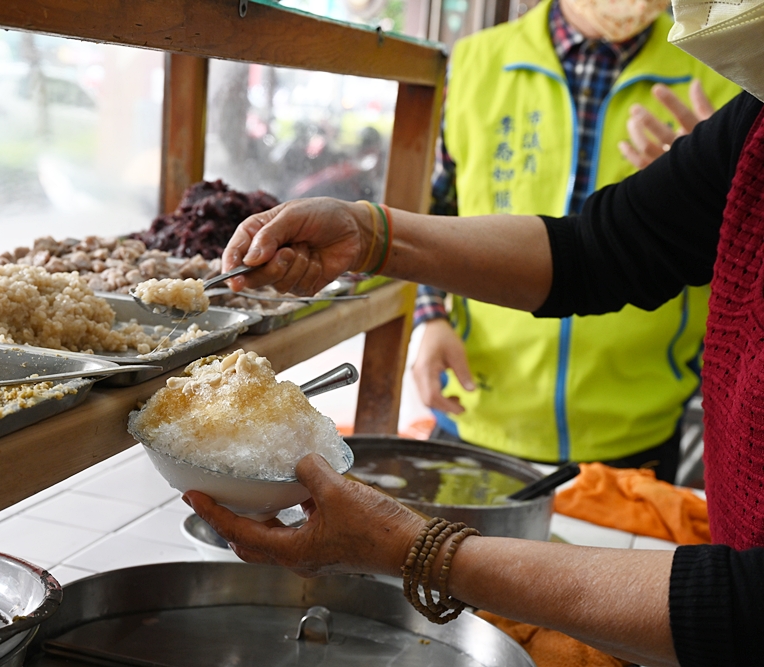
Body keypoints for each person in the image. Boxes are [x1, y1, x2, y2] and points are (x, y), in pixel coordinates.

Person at [187, 81, 764, 666]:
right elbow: (601, 248)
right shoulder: (754, 120)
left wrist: (416, 551)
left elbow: (747, 610)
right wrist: (369, 235)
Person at [410, 0, 741, 481]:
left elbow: (742, 254)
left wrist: (703, 186)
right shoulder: (474, 61)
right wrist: (430, 315)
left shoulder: (720, 71)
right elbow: (436, 206)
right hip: (479, 409)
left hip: (638, 426)